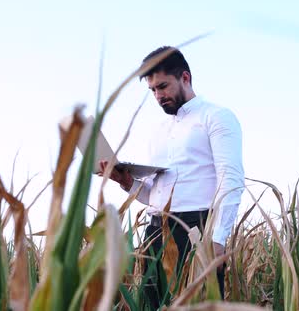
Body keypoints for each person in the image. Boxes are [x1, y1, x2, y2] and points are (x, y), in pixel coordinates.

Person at [99, 46, 244, 309]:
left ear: (185, 78)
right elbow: (155, 196)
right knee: (154, 305)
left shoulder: (217, 117)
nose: (158, 95)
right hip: (155, 232)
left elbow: (231, 179)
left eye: (163, 86)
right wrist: (127, 182)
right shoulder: (158, 132)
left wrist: (218, 239)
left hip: (196, 231)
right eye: (153, 90)